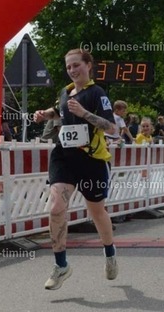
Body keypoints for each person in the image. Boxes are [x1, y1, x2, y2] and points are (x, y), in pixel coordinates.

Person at [33, 48, 118, 290]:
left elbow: (112, 128)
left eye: (76, 65)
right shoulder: (65, 91)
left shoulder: (97, 93)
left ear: (88, 65)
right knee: (56, 207)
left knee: (97, 212)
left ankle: (110, 252)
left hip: (91, 159)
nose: (72, 70)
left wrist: (84, 113)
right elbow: (59, 111)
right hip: (64, 156)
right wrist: (45, 114)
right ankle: (61, 265)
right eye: (68, 67)